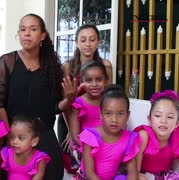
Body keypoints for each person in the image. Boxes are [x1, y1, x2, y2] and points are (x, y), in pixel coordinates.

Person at [0, 13, 78, 179]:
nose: (27, 33)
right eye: (23, 29)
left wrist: (69, 99)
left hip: (43, 136)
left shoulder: (52, 67)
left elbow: (54, 108)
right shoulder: (7, 61)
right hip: (13, 139)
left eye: (33, 29)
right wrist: (11, 135)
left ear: (43, 35)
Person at [58, 24, 112, 173]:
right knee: (72, 166)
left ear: (98, 42)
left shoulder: (106, 65)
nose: (87, 44)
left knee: (99, 164)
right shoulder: (68, 67)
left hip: (96, 119)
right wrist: (71, 132)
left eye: (92, 39)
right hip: (69, 119)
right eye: (83, 40)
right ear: (76, 43)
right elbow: (64, 102)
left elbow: (109, 98)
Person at [76, 85, 140, 180]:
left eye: (120, 114)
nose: (114, 119)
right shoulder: (91, 136)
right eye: (108, 114)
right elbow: (90, 174)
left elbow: (132, 174)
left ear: (127, 115)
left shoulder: (129, 139)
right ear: (101, 115)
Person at [135, 90, 179, 179]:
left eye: (169, 117)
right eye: (158, 116)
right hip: (142, 175)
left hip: (163, 175)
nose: (163, 121)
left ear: (177, 124)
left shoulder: (178, 138)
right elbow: (135, 171)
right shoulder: (144, 136)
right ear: (149, 119)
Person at [69, 61, 108, 150]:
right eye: (89, 80)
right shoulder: (78, 104)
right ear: (82, 82)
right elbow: (75, 135)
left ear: (105, 81)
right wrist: (90, 149)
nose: (94, 84)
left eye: (99, 80)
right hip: (85, 148)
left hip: (106, 146)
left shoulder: (109, 102)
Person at [0, 115, 51, 180]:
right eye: (12, 137)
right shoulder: (7, 154)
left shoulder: (39, 159)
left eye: (21, 138)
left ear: (34, 141)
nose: (15, 141)